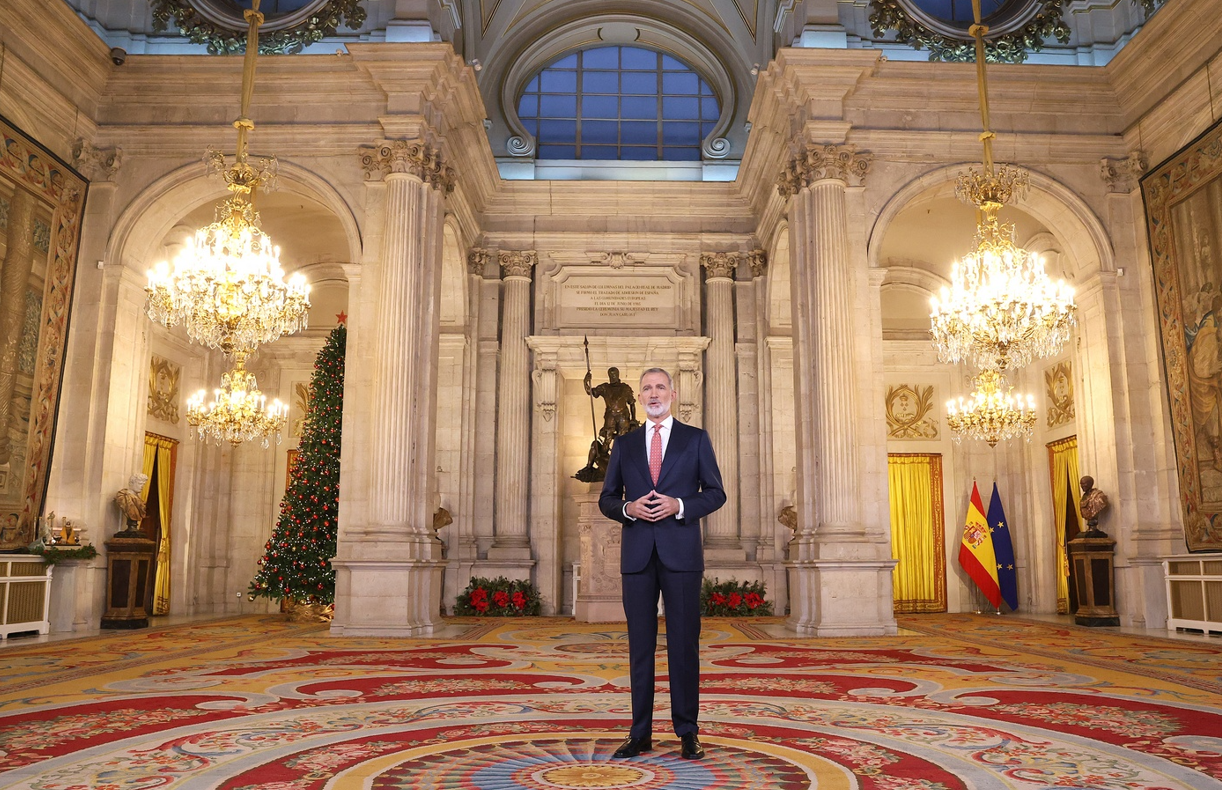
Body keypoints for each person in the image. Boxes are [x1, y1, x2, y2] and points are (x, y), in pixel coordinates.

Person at [598, 367, 726, 761]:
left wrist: (680, 505)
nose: (653, 394)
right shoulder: (624, 444)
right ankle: (640, 734)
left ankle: (688, 732)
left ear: (673, 393)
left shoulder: (695, 439)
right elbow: (607, 498)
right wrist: (628, 508)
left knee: (683, 645)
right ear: (639, 398)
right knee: (640, 648)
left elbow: (716, 493)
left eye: (660, 387)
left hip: (682, 554)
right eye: (647, 389)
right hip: (637, 556)